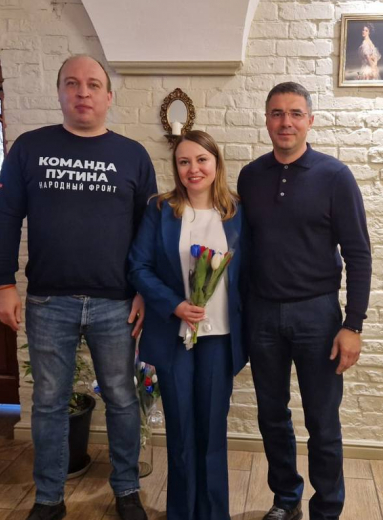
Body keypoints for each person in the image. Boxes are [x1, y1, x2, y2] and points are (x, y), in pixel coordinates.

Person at [0, 54, 156, 520]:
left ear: (109, 96)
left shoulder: (133, 155)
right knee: (48, 403)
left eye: (93, 84)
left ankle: (126, 490)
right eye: (72, 83)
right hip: (48, 301)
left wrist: (144, 289)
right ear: (59, 92)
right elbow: (5, 217)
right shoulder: (29, 148)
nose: (83, 92)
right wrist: (3, 282)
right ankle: (49, 499)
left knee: (122, 398)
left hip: (117, 303)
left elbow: (149, 232)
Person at [238, 82, 371, 520]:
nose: (286, 122)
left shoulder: (335, 177)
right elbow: (244, 249)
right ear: (266, 120)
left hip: (318, 315)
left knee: (322, 421)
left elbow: (358, 254)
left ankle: (327, 510)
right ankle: (286, 499)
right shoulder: (250, 177)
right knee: (272, 416)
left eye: (295, 113)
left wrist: (353, 324)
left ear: (310, 120)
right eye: (277, 113)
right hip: (262, 314)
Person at [128, 130, 246, 520]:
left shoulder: (237, 212)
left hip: (220, 338)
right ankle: (181, 513)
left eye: (201, 160)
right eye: (184, 162)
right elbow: (138, 266)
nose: (193, 169)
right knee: (180, 431)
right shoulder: (161, 209)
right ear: (176, 167)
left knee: (212, 431)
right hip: (174, 336)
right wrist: (174, 304)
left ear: (216, 163)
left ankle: (214, 514)